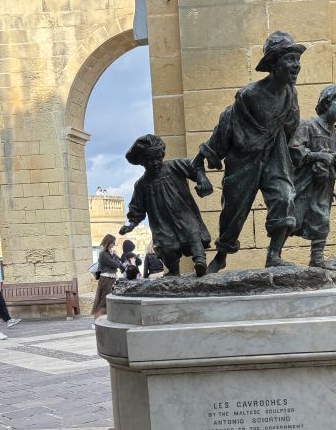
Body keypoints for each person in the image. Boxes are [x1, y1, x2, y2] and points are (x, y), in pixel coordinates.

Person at [193, 30, 306, 272]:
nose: (296, 65)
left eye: (297, 60)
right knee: (234, 210)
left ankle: (274, 255)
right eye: (290, 59)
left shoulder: (290, 93)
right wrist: (205, 156)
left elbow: (291, 127)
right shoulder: (249, 95)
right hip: (245, 157)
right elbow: (227, 124)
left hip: (274, 153)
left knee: (285, 197)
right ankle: (221, 256)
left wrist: (296, 155)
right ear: (273, 63)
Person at [120, 134, 213, 277]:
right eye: (149, 160)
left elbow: (194, 165)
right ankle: (173, 270)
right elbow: (137, 208)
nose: (155, 163)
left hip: (183, 212)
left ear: (162, 155)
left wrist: (202, 179)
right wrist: (131, 224)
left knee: (192, 232)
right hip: (161, 222)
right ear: (142, 162)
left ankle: (200, 260)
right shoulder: (141, 184)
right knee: (165, 246)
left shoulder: (174, 166)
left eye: (158, 158)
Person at [289, 84, 336, 269]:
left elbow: (330, 161)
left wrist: (332, 189)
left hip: (322, 187)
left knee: (322, 220)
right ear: (326, 102)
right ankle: (274, 255)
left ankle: (316, 259)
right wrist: (318, 156)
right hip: (303, 184)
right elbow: (295, 150)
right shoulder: (309, 125)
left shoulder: (333, 133)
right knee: (291, 220)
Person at [92, 234, 122, 323]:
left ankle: (105, 321)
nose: (114, 244)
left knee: (108, 302)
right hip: (106, 280)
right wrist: (116, 256)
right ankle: (96, 322)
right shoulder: (103, 254)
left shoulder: (109, 253)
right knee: (101, 302)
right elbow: (116, 264)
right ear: (108, 243)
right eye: (113, 242)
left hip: (111, 279)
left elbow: (116, 264)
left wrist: (115, 256)